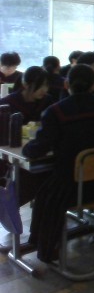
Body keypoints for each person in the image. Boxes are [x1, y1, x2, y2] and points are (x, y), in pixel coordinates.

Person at [22, 64, 94, 263]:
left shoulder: (56, 111)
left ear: (67, 84)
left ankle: (47, 247)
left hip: (72, 188)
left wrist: (26, 147)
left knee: (44, 192)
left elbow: (38, 149)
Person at [0, 66, 55, 206]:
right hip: (12, 151)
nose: (44, 90)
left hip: (37, 151)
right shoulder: (8, 103)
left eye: (46, 85)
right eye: (39, 86)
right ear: (25, 84)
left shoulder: (48, 102)